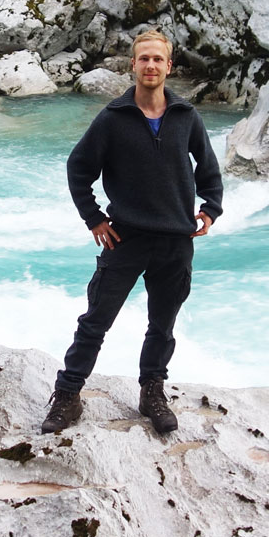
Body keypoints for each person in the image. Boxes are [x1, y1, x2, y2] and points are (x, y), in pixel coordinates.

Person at [42, 30, 223, 435]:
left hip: (176, 241)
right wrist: (94, 219)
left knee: (162, 326)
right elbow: (79, 169)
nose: (151, 66)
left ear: (169, 66)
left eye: (158, 59)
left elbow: (209, 169)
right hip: (124, 238)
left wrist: (211, 208)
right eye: (144, 59)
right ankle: (67, 397)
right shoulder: (113, 118)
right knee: (95, 322)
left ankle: (152, 392)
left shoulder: (186, 116)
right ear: (133, 65)